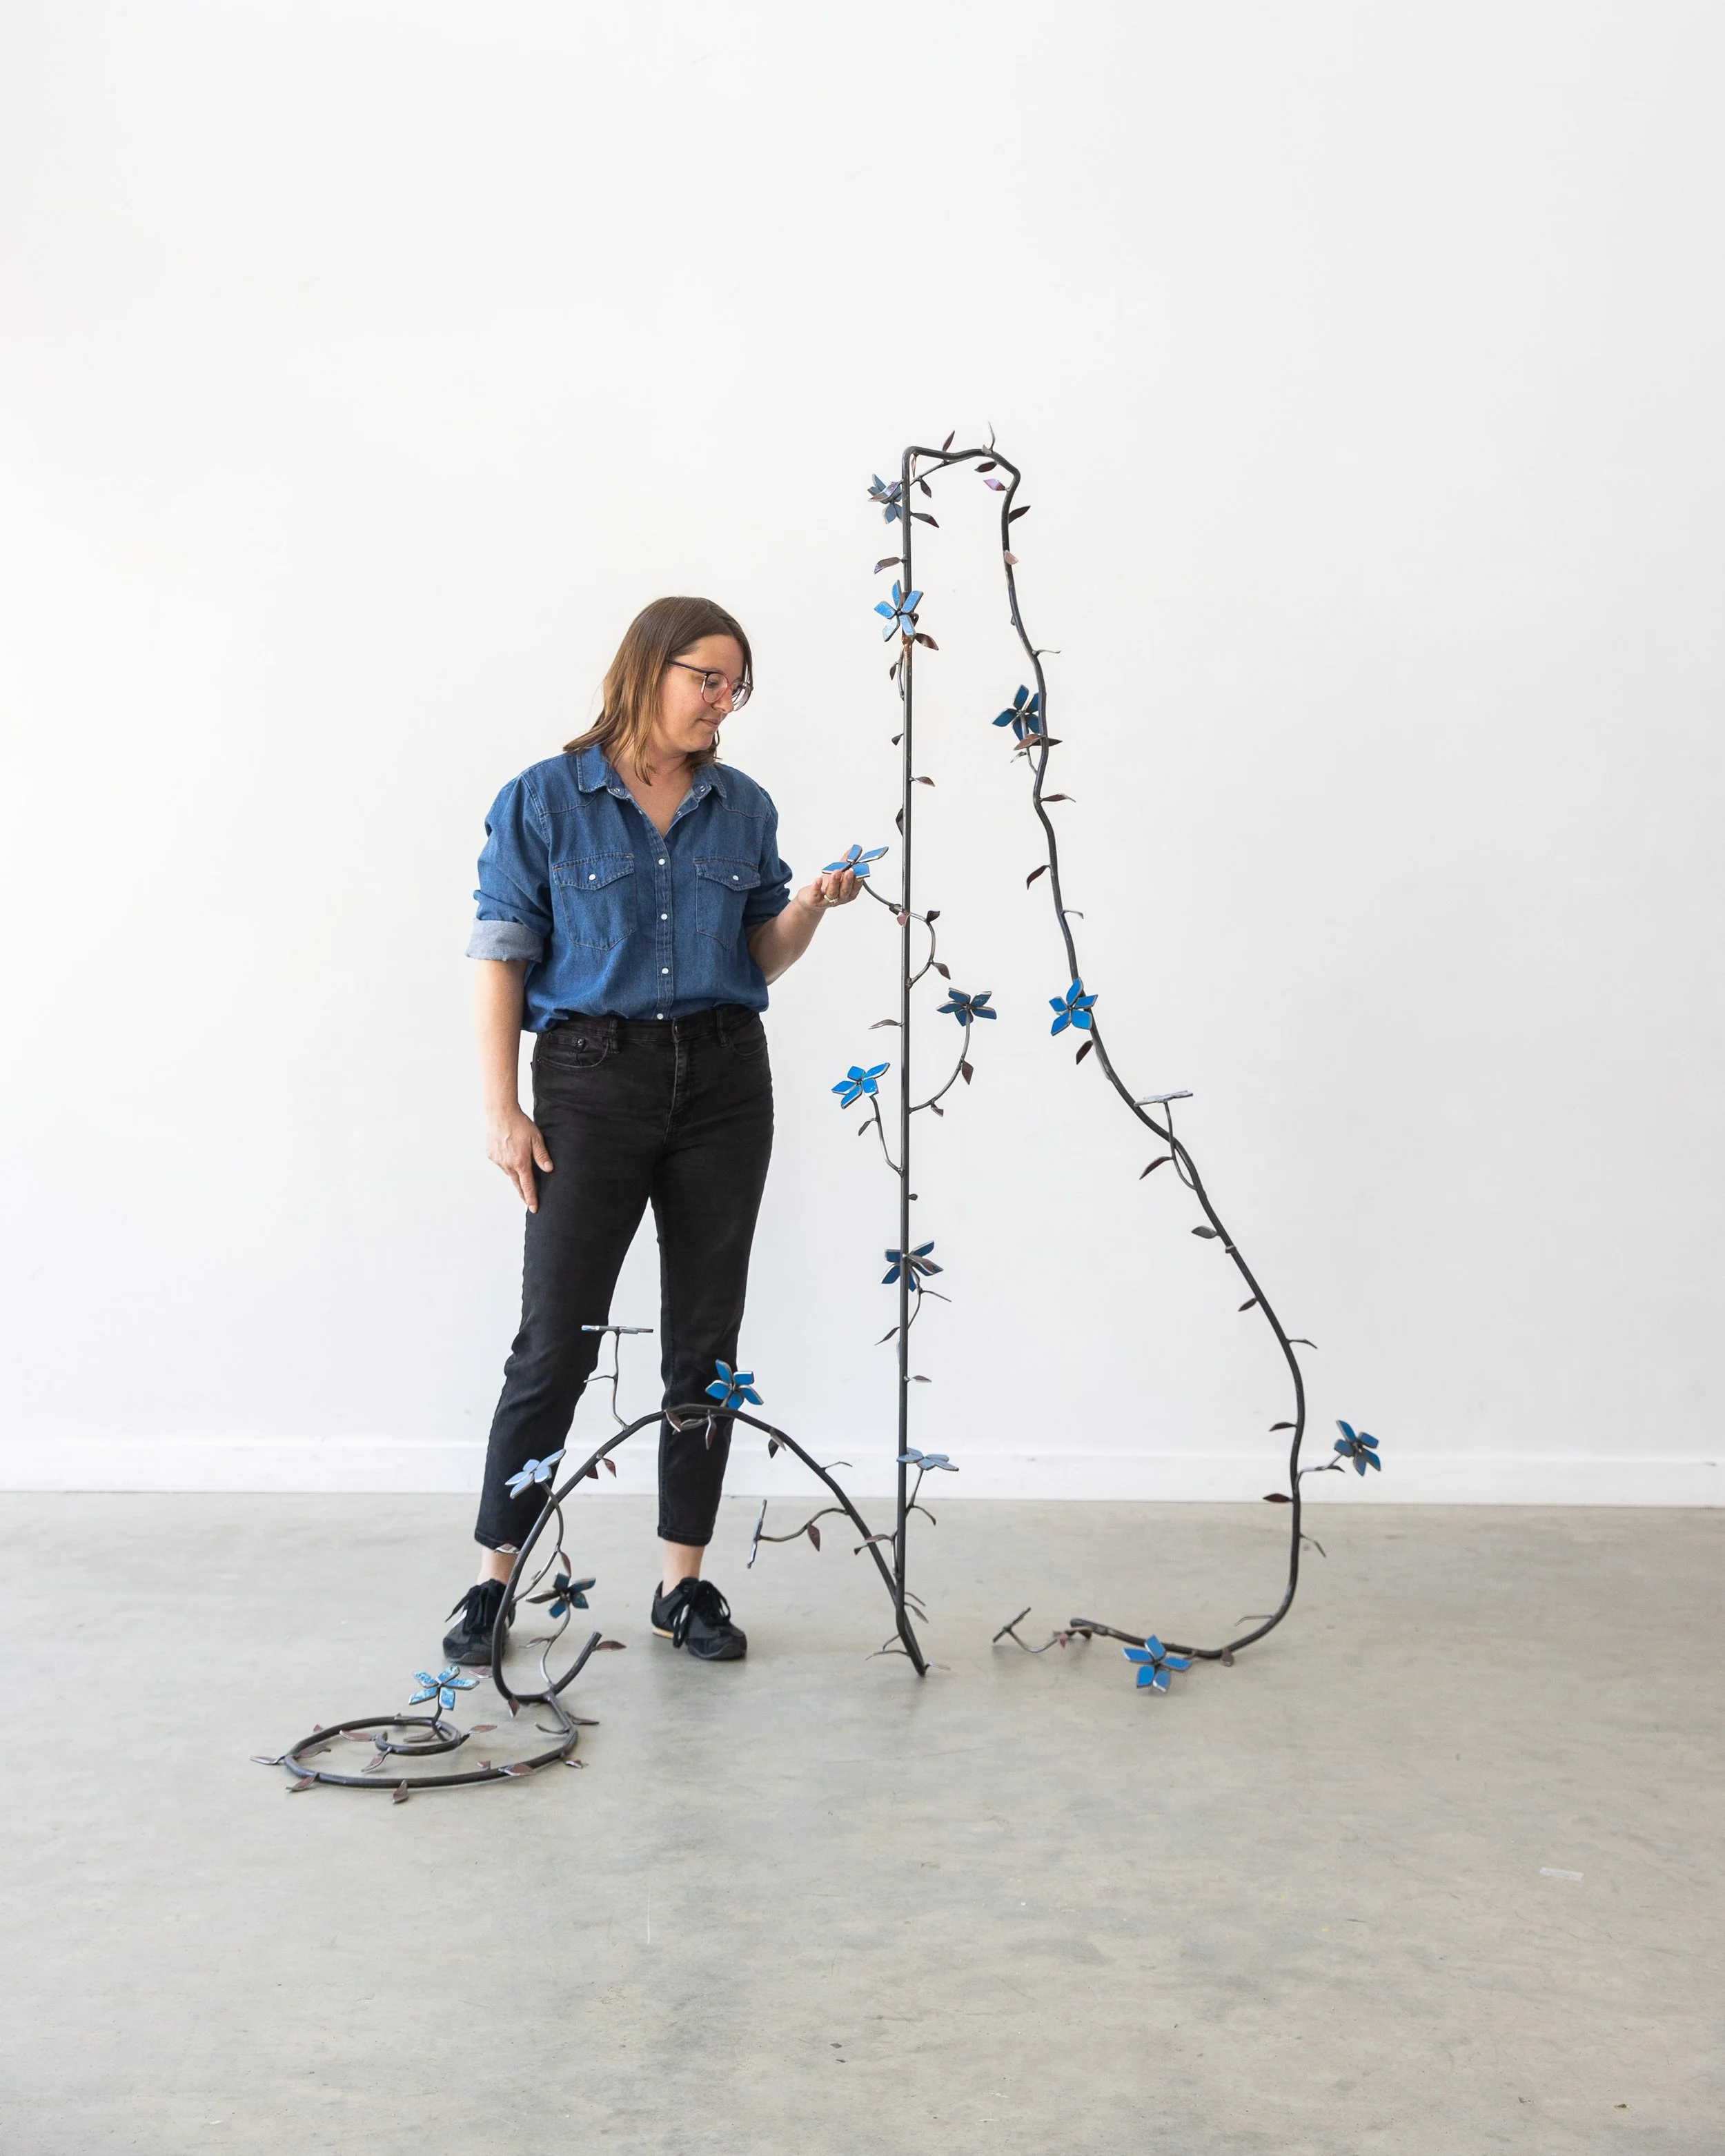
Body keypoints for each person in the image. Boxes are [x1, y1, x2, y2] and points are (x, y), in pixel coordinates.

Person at [441, 595, 860, 1669]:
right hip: (591, 1083)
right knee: (556, 1338)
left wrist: (809, 907)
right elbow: (501, 953)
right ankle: (494, 1578)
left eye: (735, 687)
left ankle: (683, 1585)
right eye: (707, 679)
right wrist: (502, 1109)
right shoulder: (545, 799)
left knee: (705, 1339)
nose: (723, 703)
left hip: (724, 1081)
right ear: (649, 669)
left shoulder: (742, 807)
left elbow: (759, 957)